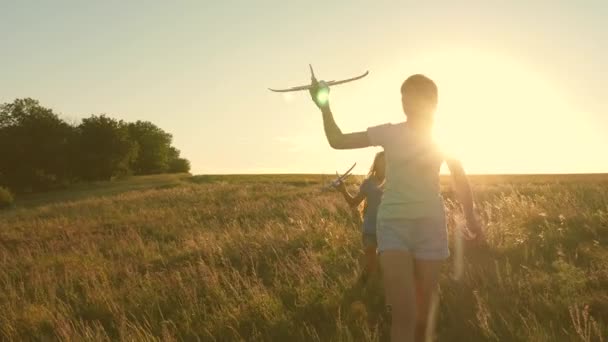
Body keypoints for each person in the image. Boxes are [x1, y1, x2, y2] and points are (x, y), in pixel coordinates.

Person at [310, 74, 483, 342]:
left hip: (430, 227)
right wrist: (324, 105)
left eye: (415, 99)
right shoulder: (390, 132)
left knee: (424, 315)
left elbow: (460, 178)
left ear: (432, 103)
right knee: (404, 314)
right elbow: (338, 140)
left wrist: (471, 218)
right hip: (394, 227)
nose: (408, 104)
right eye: (405, 99)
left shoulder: (442, 139)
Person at [335, 151, 385, 283]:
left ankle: (372, 286)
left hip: (388, 229)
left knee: (383, 263)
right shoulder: (368, 183)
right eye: (381, 162)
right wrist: (343, 190)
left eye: (387, 161)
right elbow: (354, 203)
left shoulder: (395, 182)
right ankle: (367, 286)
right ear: (376, 164)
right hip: (369, 227)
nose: (384, 164)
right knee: (370, 257)